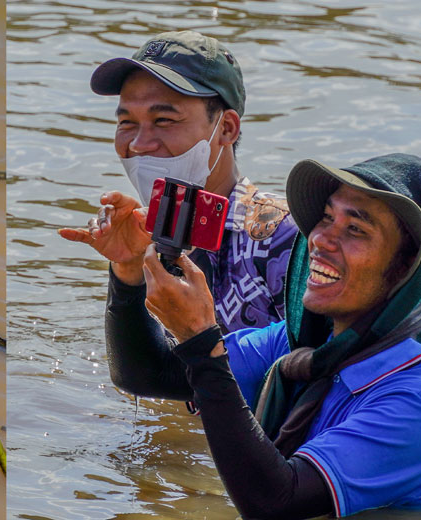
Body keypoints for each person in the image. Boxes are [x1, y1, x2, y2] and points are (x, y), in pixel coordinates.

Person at [106, 153, 421, 520]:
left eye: (356, 229)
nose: (321, 238)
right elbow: (148, 373)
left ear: (410, 272)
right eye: (327, 217)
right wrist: (128, 273)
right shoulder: (303, 348)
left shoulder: (418, 406)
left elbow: (274, 502)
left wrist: (202, 343)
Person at [60, 31, 298, 333]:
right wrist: (127, 270)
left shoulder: (280, 239)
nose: (138, 143)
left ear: (225, 128)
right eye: (127, 122)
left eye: (164, 120)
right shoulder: (155, 241)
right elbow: (144, 377)